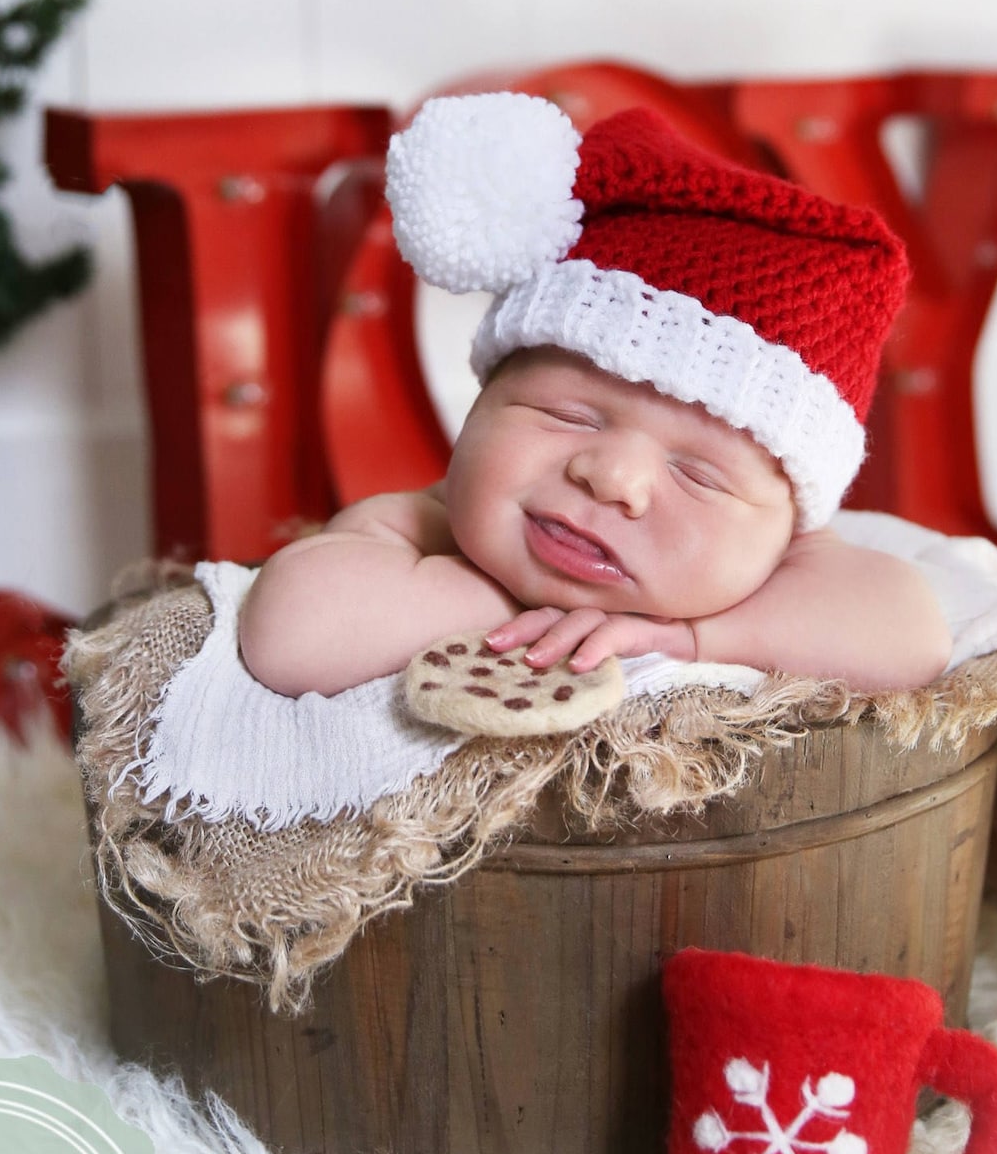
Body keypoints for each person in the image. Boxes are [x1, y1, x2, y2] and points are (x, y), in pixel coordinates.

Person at [238, 95, 952, 701]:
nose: (612, 478)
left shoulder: (772, 575)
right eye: (566, 415)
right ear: (481, 404)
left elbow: (914, 637)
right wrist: (513, 605)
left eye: (697, 473)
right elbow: (286, 634)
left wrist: (694, 637)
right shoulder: (421, 533)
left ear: (789, 526)